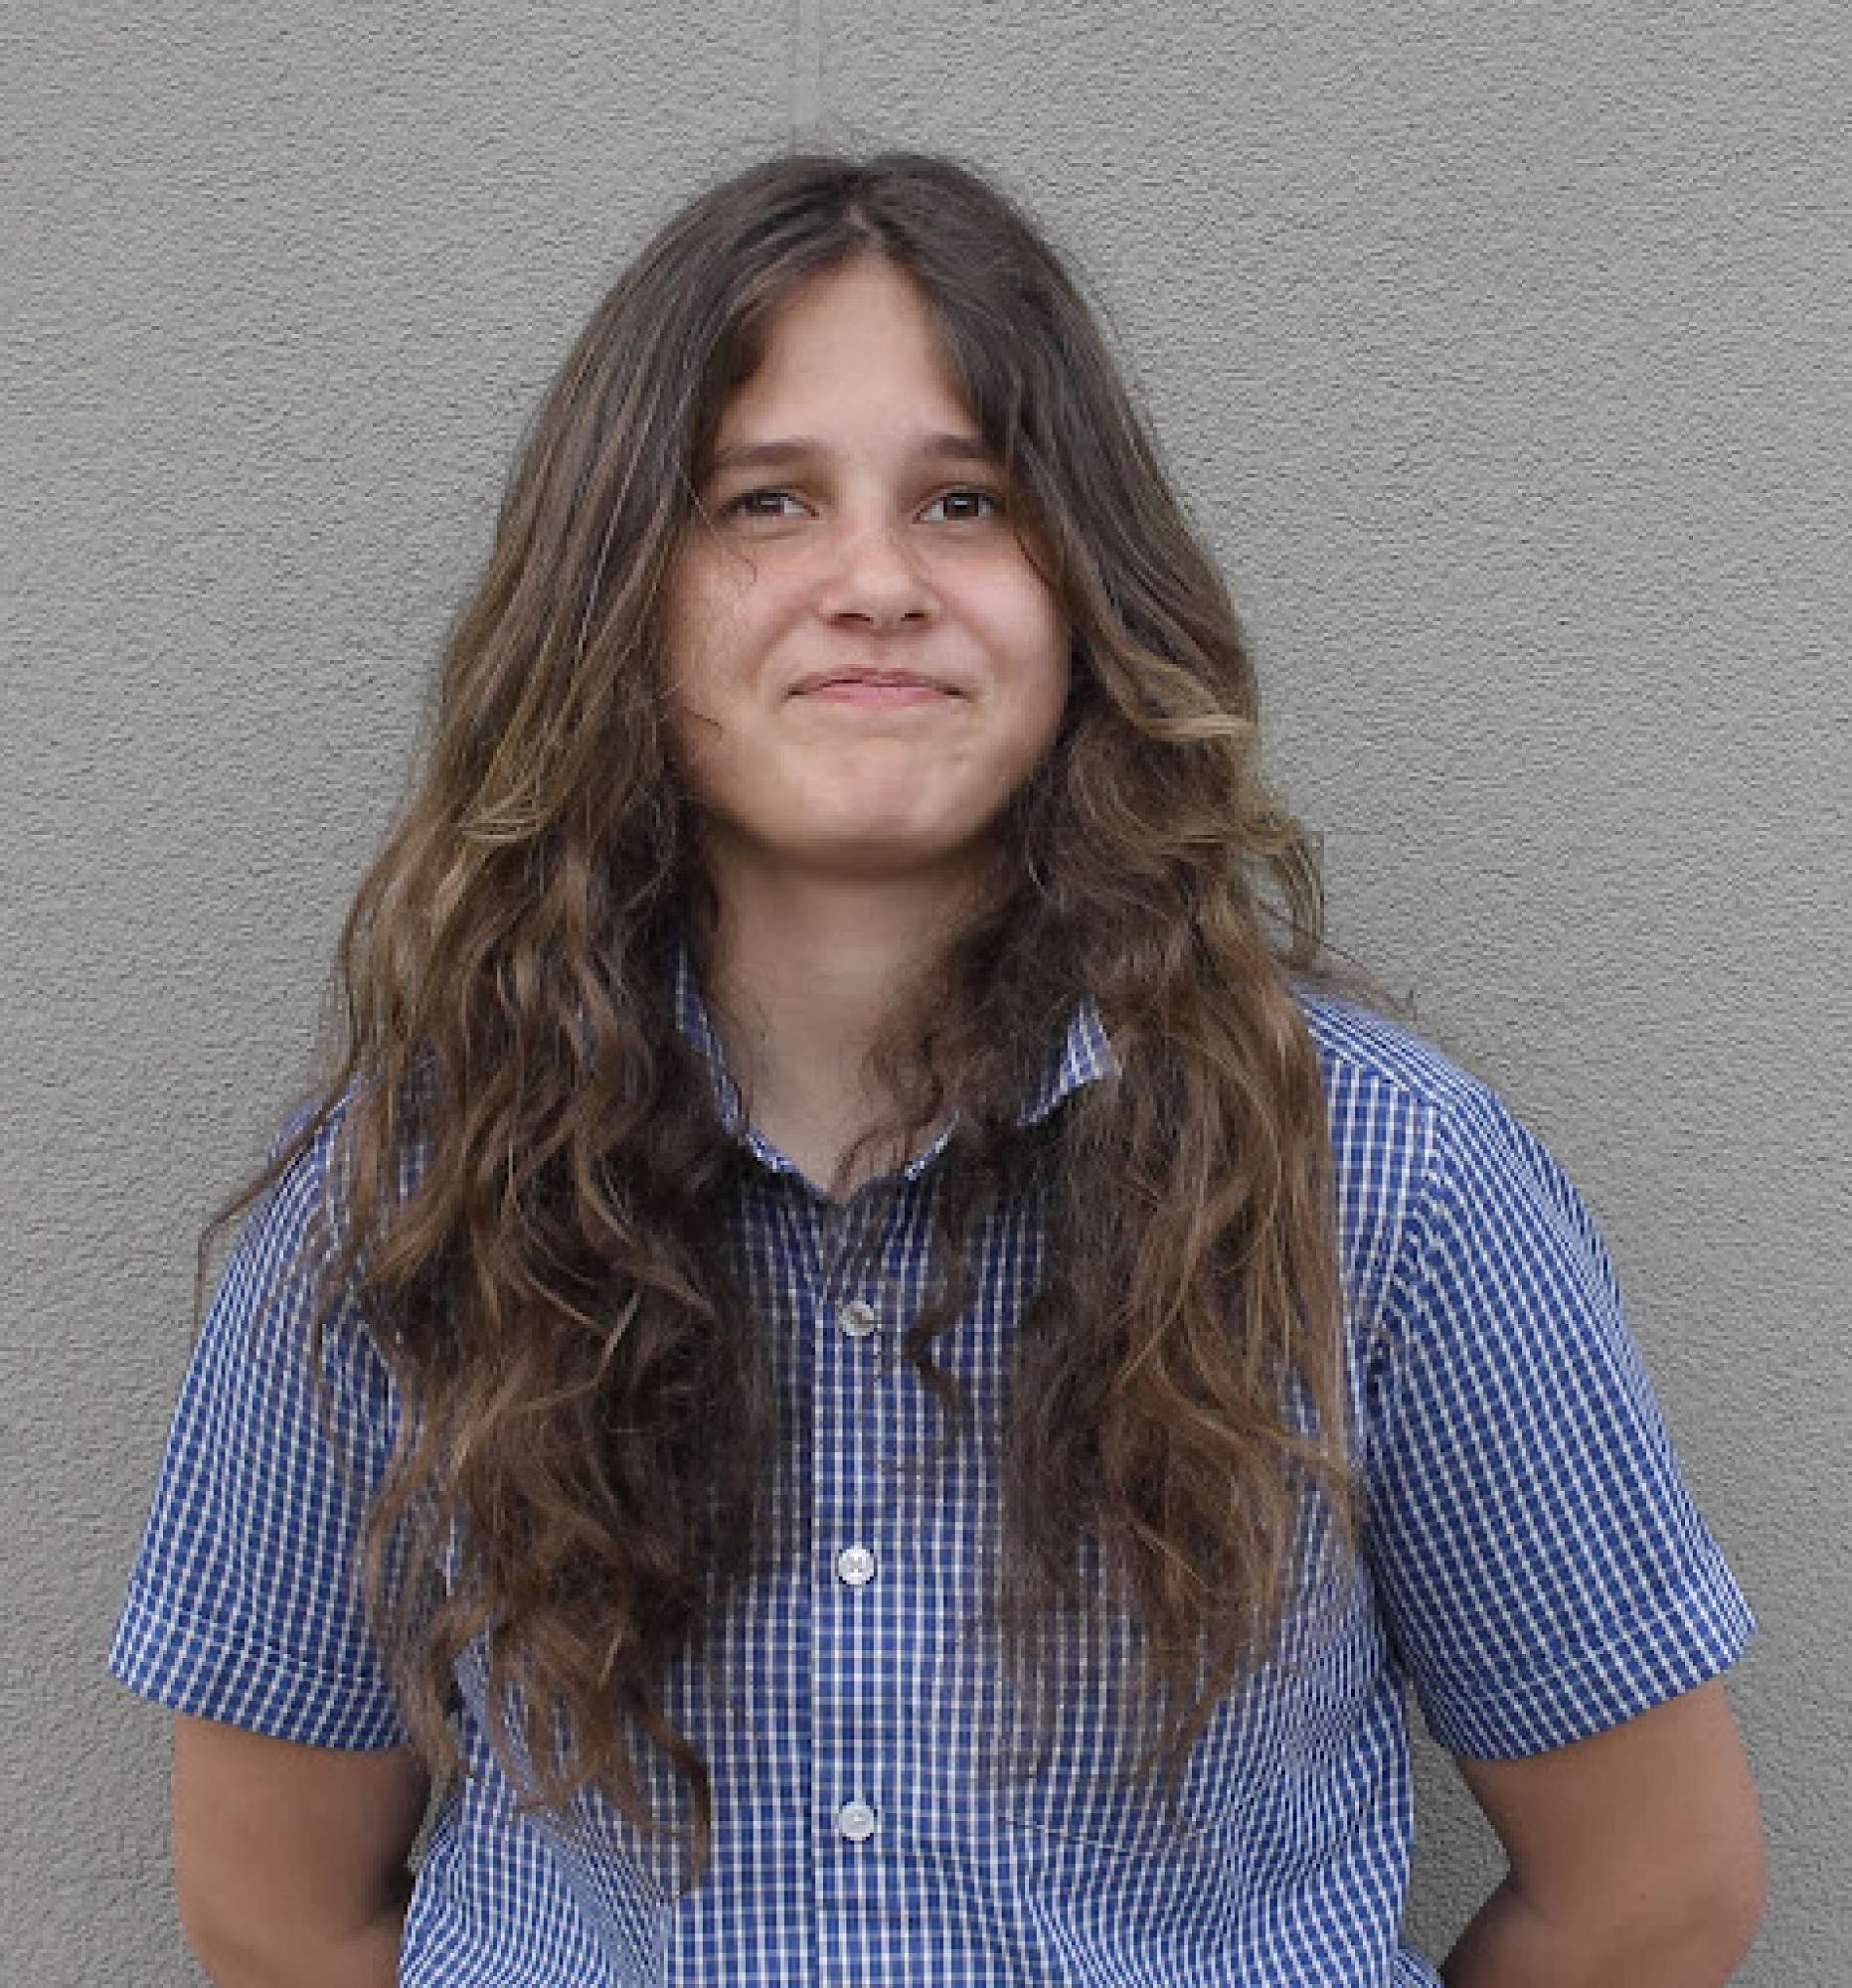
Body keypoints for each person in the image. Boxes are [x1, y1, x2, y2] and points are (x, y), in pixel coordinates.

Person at [110, 148, 1766, 1987]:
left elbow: (1652, 1895)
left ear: (1087, 595)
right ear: (620, 594)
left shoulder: (1381, 1178)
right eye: (766, 502)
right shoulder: (405, 1201)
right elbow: (277, 1913)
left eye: (967, 501)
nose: (876, 582)